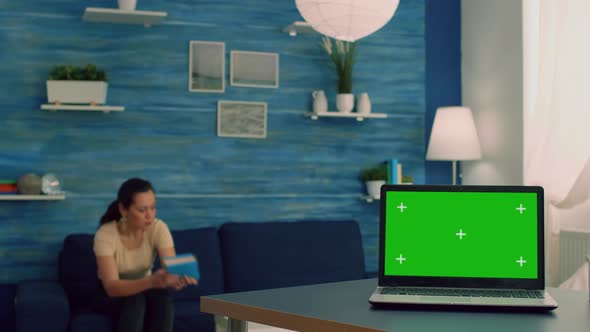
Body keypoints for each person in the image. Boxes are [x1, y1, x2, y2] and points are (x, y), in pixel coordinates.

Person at [93, 178, 197, 332]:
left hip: (145, 289)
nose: (150, 215)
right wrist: (151, 282)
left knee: (162, 299)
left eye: (153, 208)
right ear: (123, 210)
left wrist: (177, 277)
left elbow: (171, 269)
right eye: (142, 210)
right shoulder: (105, 234)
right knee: (135, 301)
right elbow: (111, 287)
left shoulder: (158, 228)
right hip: (112, 293)